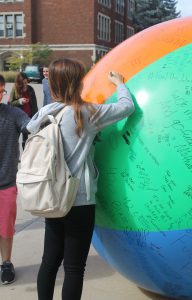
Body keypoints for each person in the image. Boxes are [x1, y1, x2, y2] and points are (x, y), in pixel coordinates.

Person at [26, 58, 135, 300]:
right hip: (80, 201)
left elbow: (28, 133)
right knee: (74, 268)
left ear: (51, 83)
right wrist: (119, 83)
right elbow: (127, 107)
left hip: (51, 198)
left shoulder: (44, 113)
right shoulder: (87, 113)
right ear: (79, 82)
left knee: (49, 262)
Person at [0, 74, 30, 284]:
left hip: (6, 184)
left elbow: (32, 126)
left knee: (6, 229)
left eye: (0, 90)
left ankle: (6, 263)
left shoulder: (13, 114)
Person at [9, 72, 38, 149]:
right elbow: (10, 103)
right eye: (23, 83)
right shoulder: (15, 88)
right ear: (19, 82)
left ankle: (24, 157)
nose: (25, 84)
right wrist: (19, 101)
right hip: (17, 118)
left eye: (26, 82)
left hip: (27, 118)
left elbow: (35, 105)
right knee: (14, 138)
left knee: (25, 138)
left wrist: (35, 117)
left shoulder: (31, 89)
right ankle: (14, 156)